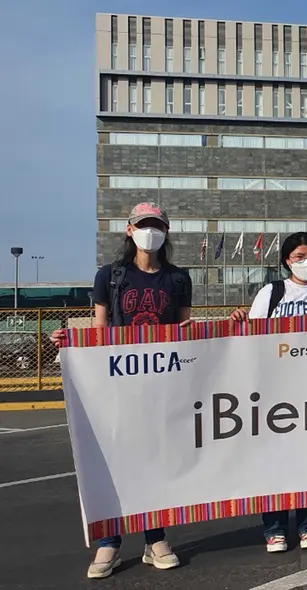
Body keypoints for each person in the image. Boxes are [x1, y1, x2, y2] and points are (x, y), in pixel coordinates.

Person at [51, 202, 191, 579]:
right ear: (129, 231)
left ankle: (155, 538)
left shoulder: (178, 279)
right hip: (116, 382)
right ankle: (109, 542)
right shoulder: (110, 276)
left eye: (157, 225)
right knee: (111, 461)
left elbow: (185, 334)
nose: (151, 232)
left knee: (155, 460)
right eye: (143, 225)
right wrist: (70, 343)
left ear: (166, 230)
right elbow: (99, 332)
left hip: (160, 384)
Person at [229, 232, 307, 552]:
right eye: (299, 257)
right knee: (274, 460)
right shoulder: (271, 292)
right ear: (286, 260)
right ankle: (275, 526)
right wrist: (239, 321)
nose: (306, 262)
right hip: (274, 391)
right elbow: (252, 338)